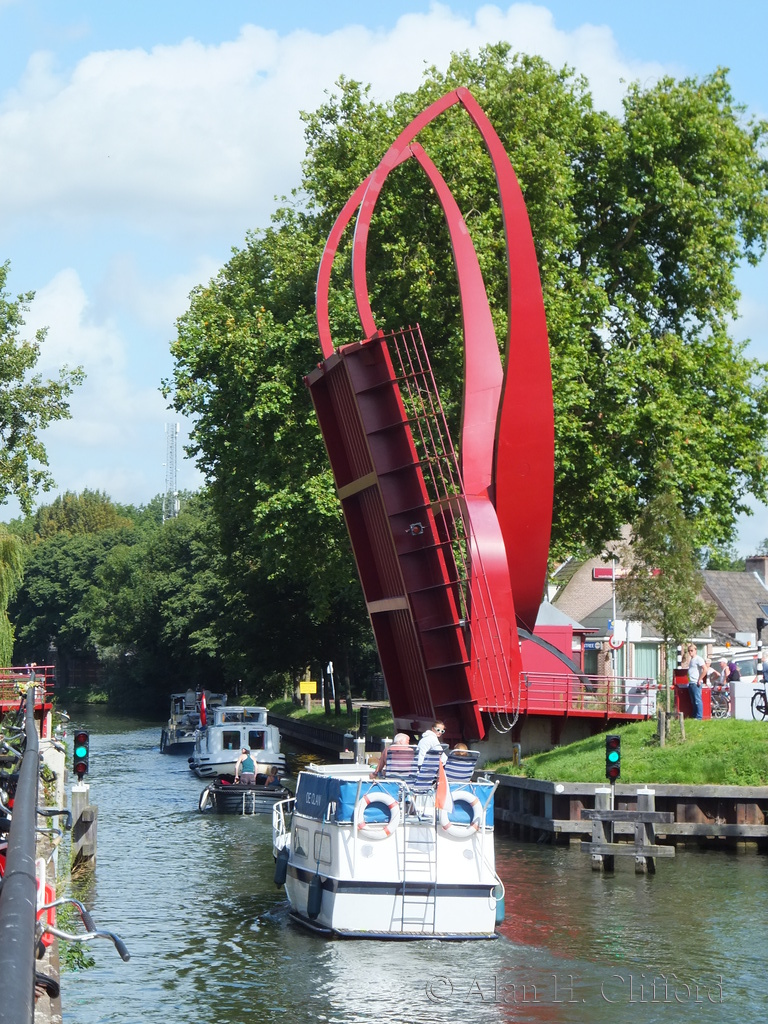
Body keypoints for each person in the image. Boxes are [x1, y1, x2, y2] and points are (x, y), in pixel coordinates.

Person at [685, 643, 706, 719]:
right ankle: (694, 715)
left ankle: (699, 716)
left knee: (697, 700)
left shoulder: (698, 659)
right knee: (693, 701)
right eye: (689, 651)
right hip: (691, 682)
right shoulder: (692, 660)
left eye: (691, 650)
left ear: (695, 650)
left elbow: (705, 669)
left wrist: (700, 679)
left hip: (695, 682)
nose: (690, 652)